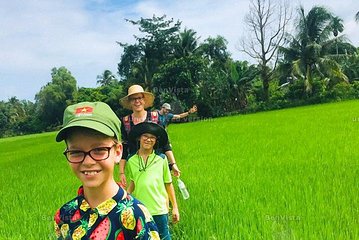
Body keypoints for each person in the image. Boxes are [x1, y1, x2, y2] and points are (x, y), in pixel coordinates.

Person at [53, 101, 160, 240]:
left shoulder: (137, 216)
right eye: (76, 152)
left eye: (99, 150)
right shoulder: (64, 214)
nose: (88, 162)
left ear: (117, 152)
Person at [119, 85, 180, 187]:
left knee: (161, 192)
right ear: (129, 102)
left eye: (139, 98)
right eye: (133, 99)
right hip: (137, 165)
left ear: (144, 100)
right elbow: (124, 147)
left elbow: (165, 143)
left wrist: (173, 164)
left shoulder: (155, 117)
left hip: (156, 162)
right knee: (140, 193)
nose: (137, 101)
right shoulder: (125, 121)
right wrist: (121, 172)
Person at [127, 122, 179, 240]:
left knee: (164, 237)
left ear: (156, 141)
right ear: (139, 138)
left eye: (152, 137)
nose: (148, 140)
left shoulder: (161, 159)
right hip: (140, 210)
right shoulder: (131, 160)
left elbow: (168, 184)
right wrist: (125, 198)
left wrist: (175, 207)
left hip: (159, 209)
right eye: (145, 136)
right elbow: (133, 182)